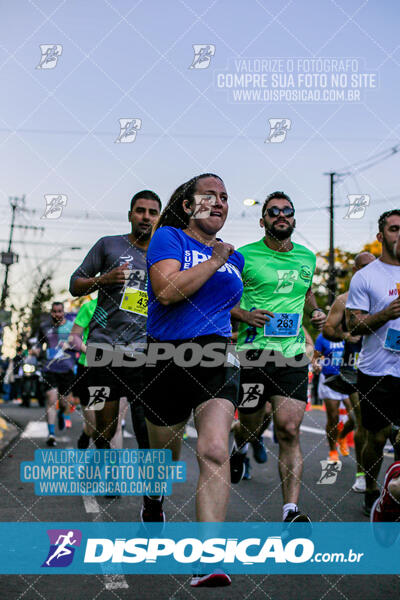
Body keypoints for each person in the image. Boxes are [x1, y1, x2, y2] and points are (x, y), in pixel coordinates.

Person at [141, 173, 244, 588]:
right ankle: (153, 500)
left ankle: (208, 557)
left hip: (215, 356)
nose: (219, 203)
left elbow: (221, 303)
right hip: (166, 356)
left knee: (216, 450)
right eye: (209, 196)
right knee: (163, 461)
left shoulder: (234, 258)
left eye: (224, 197)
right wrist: (215, 260)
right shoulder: (169, 238)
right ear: (188, 205)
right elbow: (166, 292)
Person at [230, 191, 326, 526]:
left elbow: (307, 291)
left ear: (294, 219)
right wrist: (243, 314)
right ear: (263, 220)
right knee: (252, 423)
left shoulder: (307, 258)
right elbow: (219, 298)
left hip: (292, 354)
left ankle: (290, 511)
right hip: (254, 353)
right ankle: (240, 447)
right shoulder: (244, 257)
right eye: (273, 212)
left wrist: (314, 311)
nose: (280, 216)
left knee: (288, 428)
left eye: (287, 211)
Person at [69, 190, 161, 450]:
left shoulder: (165, 255)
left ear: (159, 218)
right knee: (106, 429)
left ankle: (152, 491)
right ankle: (103, 463)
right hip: (106, 349)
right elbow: (75, 284)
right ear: (130, 214)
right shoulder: (108, 245)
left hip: (145, 351)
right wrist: (104, 279)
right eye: (140, 211)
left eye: (153, 212)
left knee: (146, 429)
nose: (146, 217)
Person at [346, 209, 400, 516]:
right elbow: (354, 326)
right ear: (381, 236)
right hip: (376, 369)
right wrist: (386, 314)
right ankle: (370, 486)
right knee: (376, 438)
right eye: (394, 229)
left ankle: (394, 493)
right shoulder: (366, 277)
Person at [323, 252, 375, 491]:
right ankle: (362, 475)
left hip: (386, 366)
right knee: (362, 422)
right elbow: (327, 330)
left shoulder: (389, 295)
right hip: (354, 368)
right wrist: (345, 334)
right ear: (355, 271)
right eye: (363, 267)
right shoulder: (344, 300)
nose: (369, 271)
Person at [37, 302, 76, 446]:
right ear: (51, 312)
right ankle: (51, 434)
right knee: (51, 399)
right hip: (49, 368)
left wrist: (69, 346)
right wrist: (37, 352)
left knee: (65, 403)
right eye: (54, 312)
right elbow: (38, 345)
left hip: (66, 368)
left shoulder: (72, 326)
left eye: (59, 311)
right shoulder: (44, 327)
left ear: (63, 312)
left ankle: (61, 413)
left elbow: (79, 343)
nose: (57, 314)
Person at [312, 333, 352, 461]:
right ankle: (333, 451)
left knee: (355, 418)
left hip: (347, 378)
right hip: (329, 380)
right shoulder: (323, 337)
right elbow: (315, 357)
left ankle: (341, 436)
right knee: (333, 418)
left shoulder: (350, 333)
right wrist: (316, 364)